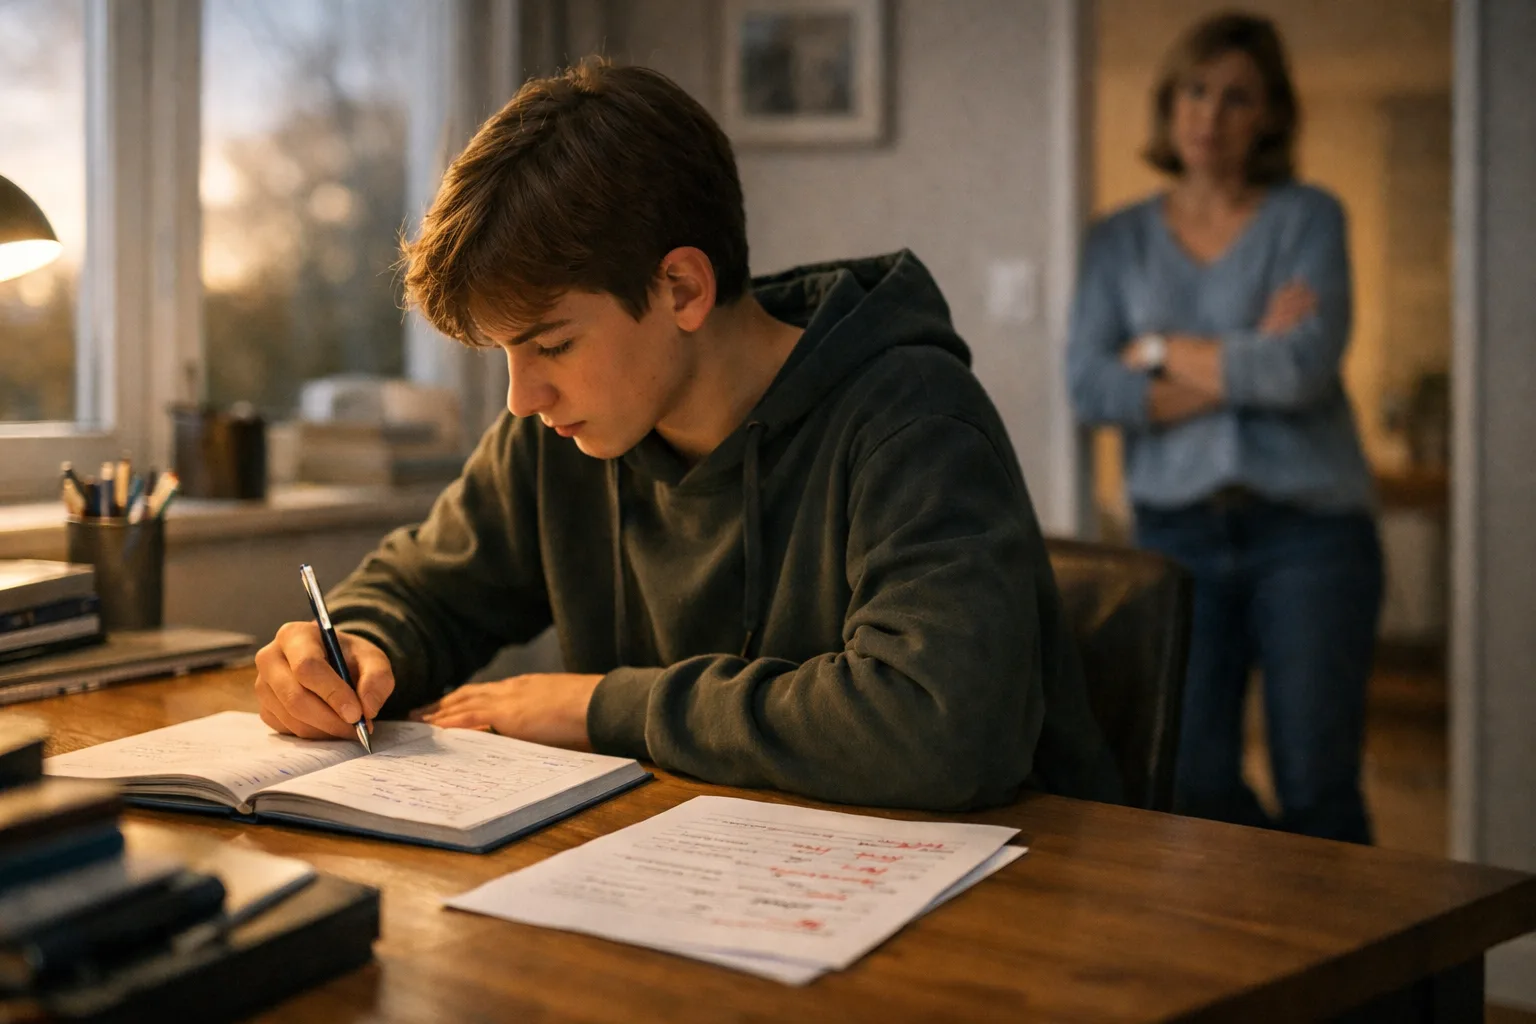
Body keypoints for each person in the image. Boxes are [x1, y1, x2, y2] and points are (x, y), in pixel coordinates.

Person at [254, 60, 1122, 811]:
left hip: (1016, 896)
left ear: (681, 290)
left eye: (552, 344)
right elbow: (428, 589)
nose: (521, 398)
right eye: (505, 353)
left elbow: (938, 727)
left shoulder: (914, 419)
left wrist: (601, 707)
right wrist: (352, 648)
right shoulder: (565, 430)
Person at [1067, 13, 1381, 843]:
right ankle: (1268, 918)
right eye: (1195, 91)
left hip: (1311, 534)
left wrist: (1158, 351)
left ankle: (1337, 931)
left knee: (1318, 783)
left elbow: (1300, 370)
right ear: (1170, 104)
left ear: (1270, 114)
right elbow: (1093, 387)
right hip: (1177, 537)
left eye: (1237, 97)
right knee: (1192, 783)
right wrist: (1249, 356)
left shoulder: (1309, 218)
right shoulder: (1117, 240)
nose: (1210, 114)